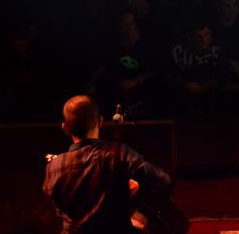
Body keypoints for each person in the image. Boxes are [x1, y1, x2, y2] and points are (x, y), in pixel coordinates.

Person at [44, 95, 172, 234]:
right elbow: (162, 181)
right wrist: (131, 188)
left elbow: (61, 205)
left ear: (65, 128)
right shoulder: (119, 153)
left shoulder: (53, 166)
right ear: (100, 122)